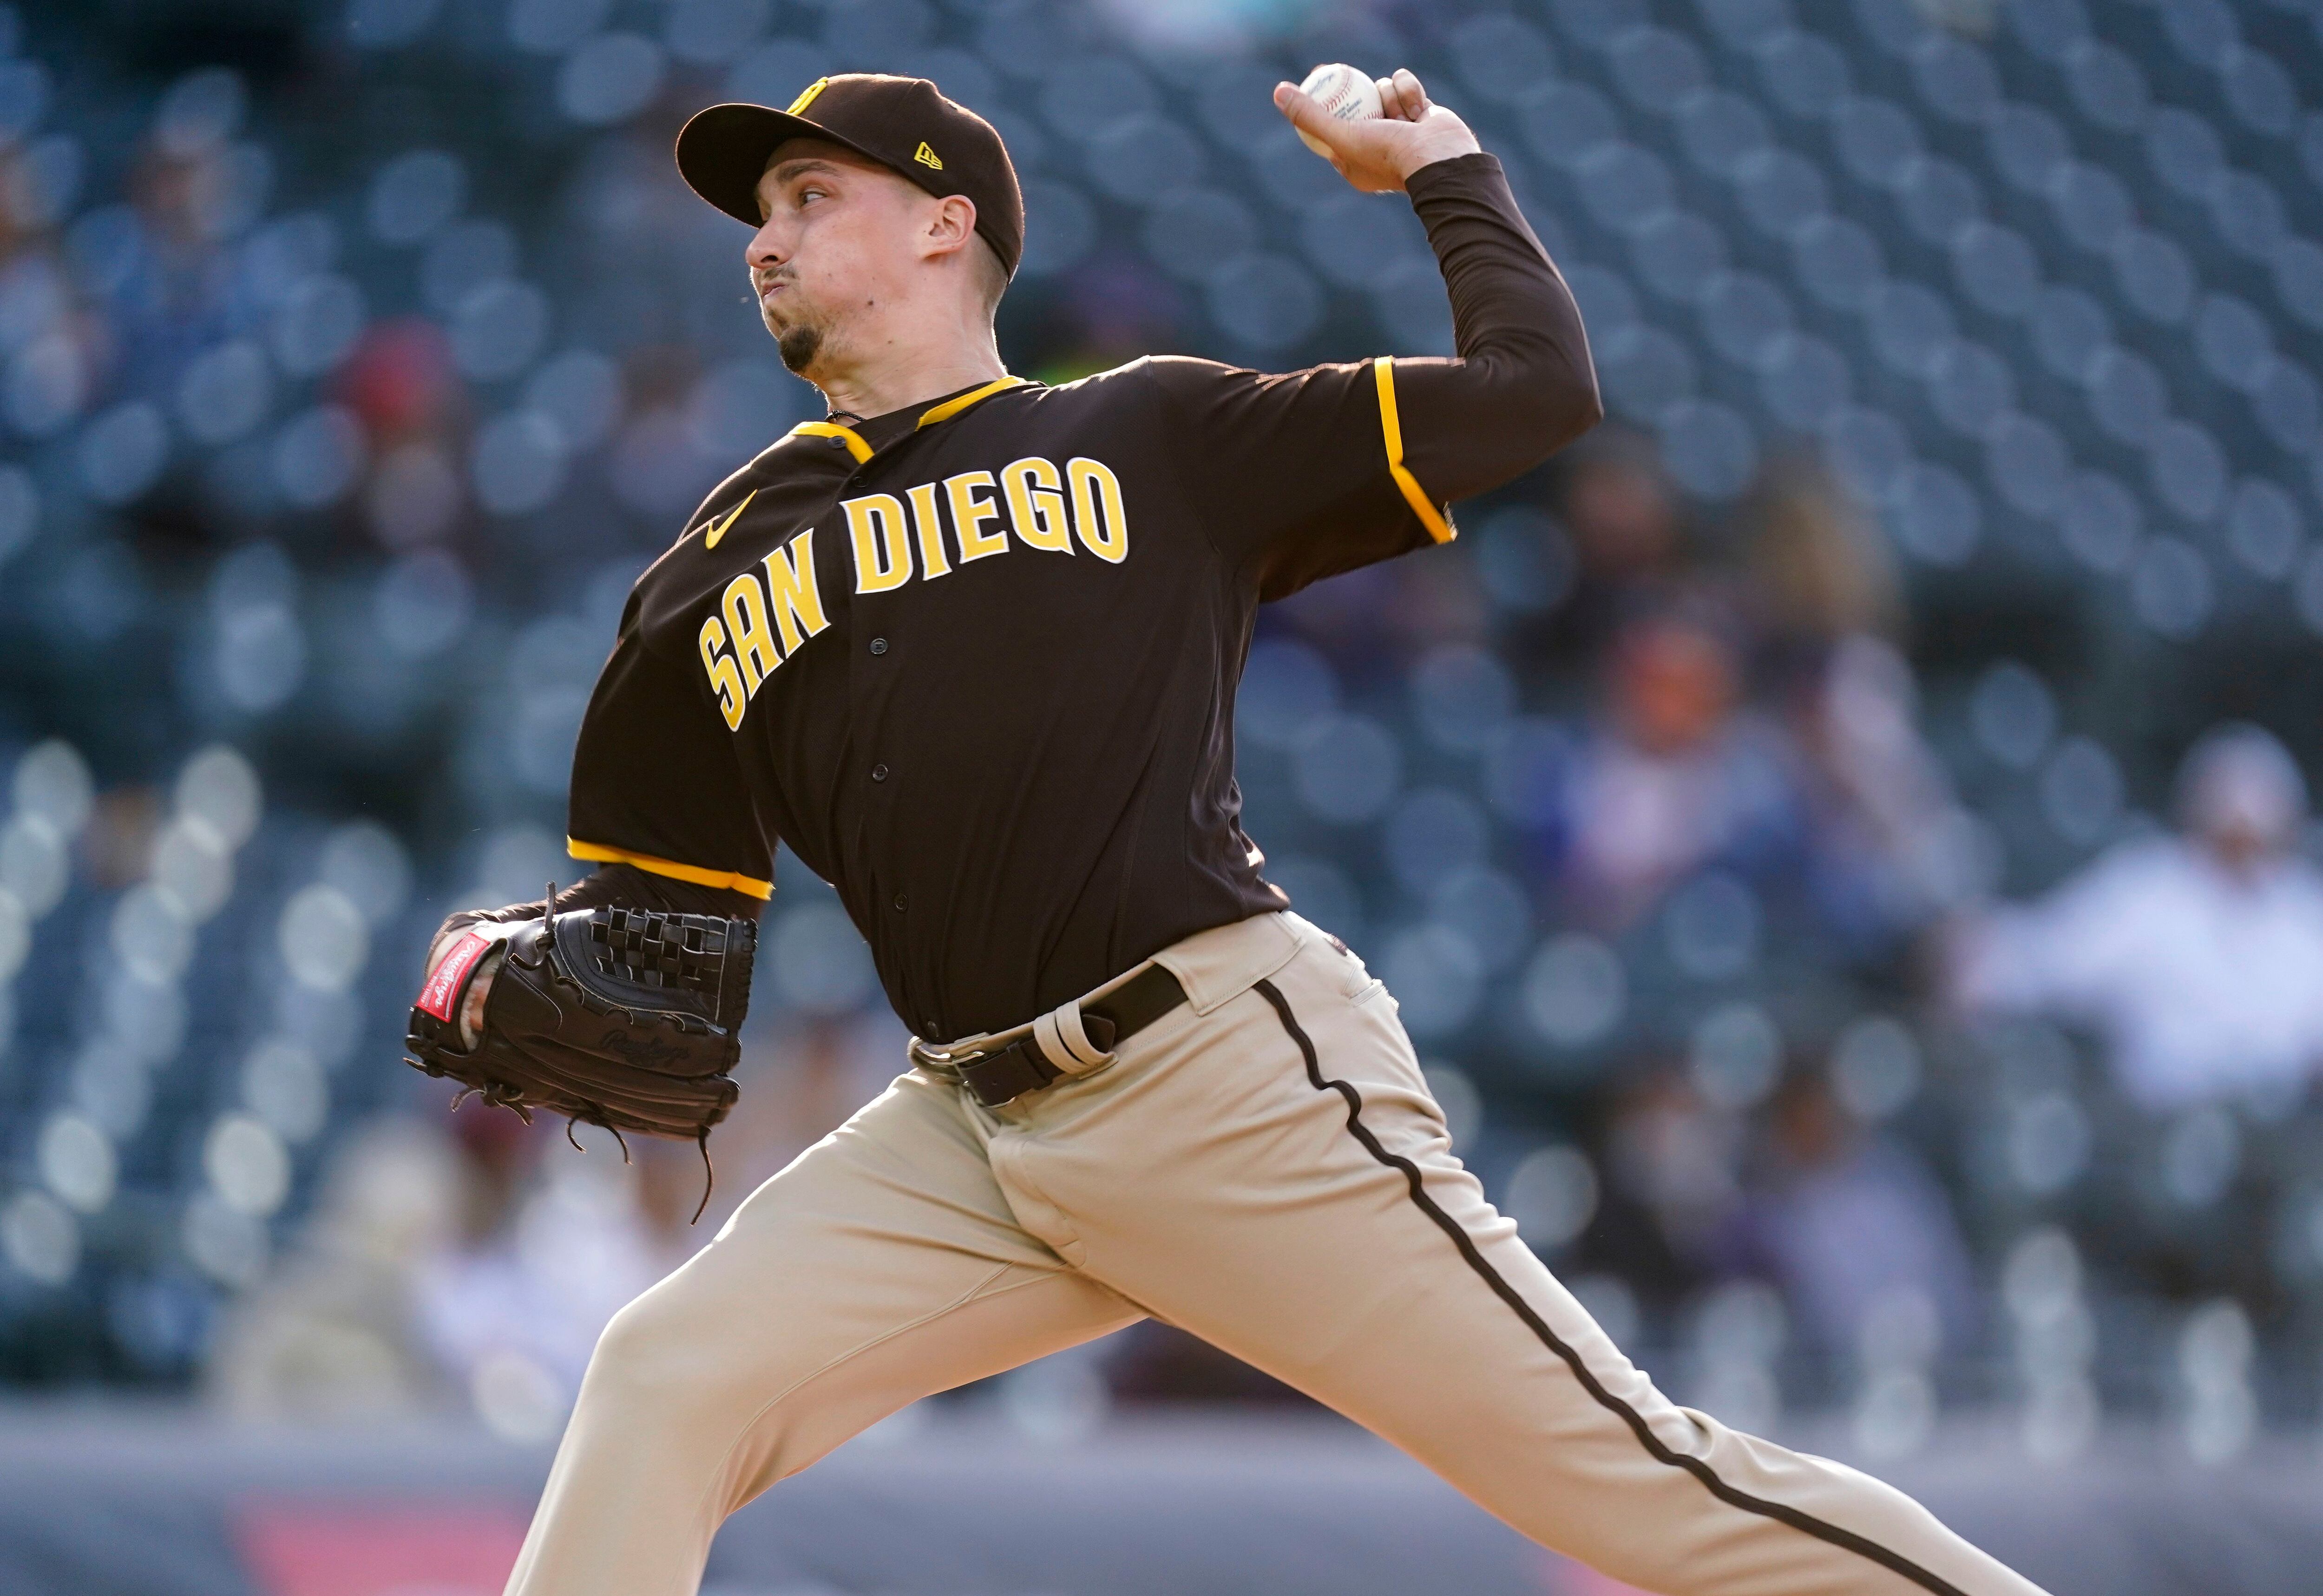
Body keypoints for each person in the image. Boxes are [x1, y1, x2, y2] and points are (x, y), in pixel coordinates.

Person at [425, 69, 2043, 1596]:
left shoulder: (1151, 432)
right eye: (755, 212)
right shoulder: (713, 567)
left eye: (803, 192)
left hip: (1219, 1073)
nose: (762, 237)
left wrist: (1446, 178)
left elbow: (1537, 392)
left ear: (943, 221)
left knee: (1637, 1483)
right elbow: (665, 940)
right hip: (966, 1133)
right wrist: (554, 990)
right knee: (666, 1372)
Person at [1952, 722, 2323, 1112]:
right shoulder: (2151, 889)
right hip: (2155, 1130)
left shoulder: (2305, 915)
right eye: (2232, 833)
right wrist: (1977, 954)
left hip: (2280, 1140)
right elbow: (2049, 956)